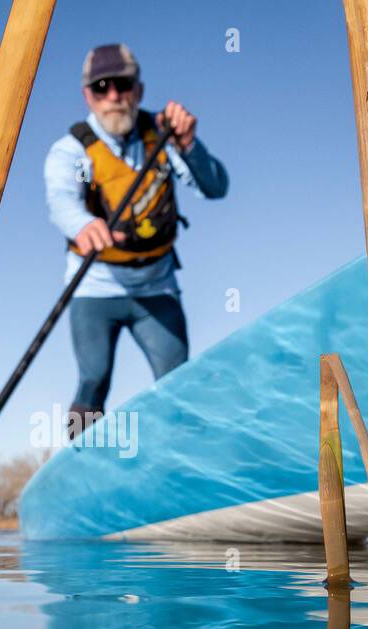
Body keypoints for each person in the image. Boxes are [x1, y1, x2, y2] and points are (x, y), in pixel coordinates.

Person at [44, 43, 228, 438]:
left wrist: (189, 146)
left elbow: (216, 187)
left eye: (122, 85)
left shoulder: (162, 138)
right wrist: (81, 224)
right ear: (87, 96)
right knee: (94, 378)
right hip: (95, 289)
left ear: (139, 90)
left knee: (176, 383)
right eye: (102, 87)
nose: (113, 96)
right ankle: (83, 461)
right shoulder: (71, 150)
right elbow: (61, 200)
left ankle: (175, 463)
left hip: (157, 287)